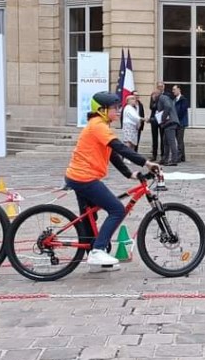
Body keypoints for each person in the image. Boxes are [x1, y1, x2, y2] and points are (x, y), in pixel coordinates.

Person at [64, 91, 160, 268]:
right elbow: (120, 147)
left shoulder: (100, 125)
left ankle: (94, 259)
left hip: (79, 176)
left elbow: (112, 154)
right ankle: (97, 251)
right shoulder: (98, 125)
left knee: (89, 217)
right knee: (117, 210)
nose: (118, 110)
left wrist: (130, 174)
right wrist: (146, 162)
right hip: (84, 177)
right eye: (115, 108)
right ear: (101, 110)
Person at [156, 85, 180, 165]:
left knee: (171, 141)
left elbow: (167, 106)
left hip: (170, 122)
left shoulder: (162, 97)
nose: (153, 97)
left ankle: (174, 160)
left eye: (154, 95)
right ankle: (165, 159)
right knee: (165, 141)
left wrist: (163, 118)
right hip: (169, 123)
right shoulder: (164, 98)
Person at [173, 84, 189, 162]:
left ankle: (179, 157)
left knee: (179, 139)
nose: (173, 91)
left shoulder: (183, 99)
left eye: (174, 89)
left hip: (181, 122)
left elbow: (182, 111)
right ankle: (182, 157)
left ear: (179, 90)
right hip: (176, 122)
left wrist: (176, 118)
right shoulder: (174, 99)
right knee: (179, 139)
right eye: (173, 90)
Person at [148, 82, 164, 161]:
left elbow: (163, 107)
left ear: (163, 87)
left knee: (162, 137)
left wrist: (156, 102)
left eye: (161, 86)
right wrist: (154, 100)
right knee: (154, 138)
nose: (160, 88)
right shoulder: (153, 95)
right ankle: (154, 155)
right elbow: (151, 107)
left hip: (162, 119)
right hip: (154, 119)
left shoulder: (166, 95)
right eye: (158, 86)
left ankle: (163, 155)